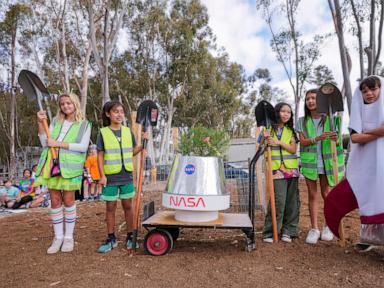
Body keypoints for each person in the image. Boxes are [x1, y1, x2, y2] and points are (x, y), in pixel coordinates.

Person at [325, 76, 384, 252]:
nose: (369, 94)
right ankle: (370, 238)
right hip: (366, 165)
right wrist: (379, 131)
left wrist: (370, 131)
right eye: (364, 91)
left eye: (373, 89)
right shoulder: (360, 111)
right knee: (368, 198)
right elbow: (355, 137)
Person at [35, 93, 91, 254]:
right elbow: (44, 141)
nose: (65, 106)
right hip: (52, 165)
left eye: (68, 103)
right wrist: (40, 123)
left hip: (70, 167)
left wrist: (58, 144)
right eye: (62, 104)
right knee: (54, 200)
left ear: (75, 104)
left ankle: (68, 237)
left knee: (68, 200)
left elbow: (82, 146)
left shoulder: (84, 124)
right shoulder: (55, 122)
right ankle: (58, 237)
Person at [97, 100, 148, 253]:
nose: (119, 114)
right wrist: (102, 176)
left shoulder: (127, 131)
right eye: (115, 111)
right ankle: (111, 237)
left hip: (126, 175)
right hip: (111, 176)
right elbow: (100, 155)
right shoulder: (103, 133)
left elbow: (132, 151)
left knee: (128, 206)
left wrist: (143, 143)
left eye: (121, 111)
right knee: (110, 207)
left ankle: (131, 236)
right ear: (108, 114)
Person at [297, 88, 345, 245]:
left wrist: (336, 138)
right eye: (307, 99)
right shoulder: (301, 121)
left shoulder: (331, 119)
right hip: (311, 163)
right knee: (312, 195)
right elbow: (302, 142)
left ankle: (329, 227)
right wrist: (317, 138)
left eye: (313, 98)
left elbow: (337, 142)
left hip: (326, 163)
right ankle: (314, 229)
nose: (310, 101)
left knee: (327, 194)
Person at [262, 102, 300, 243]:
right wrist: (264, 137)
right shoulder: (268, 129)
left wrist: (278, 142)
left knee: (292, 202)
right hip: (276, 170)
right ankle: (270, 232)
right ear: (277, 112)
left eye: (289, 112)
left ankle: (288, 231)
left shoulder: (291, 131)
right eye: (283, 111)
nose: (286, 114)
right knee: (278, 201)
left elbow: (293, 149)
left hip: (291, 170)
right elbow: (259, 145)